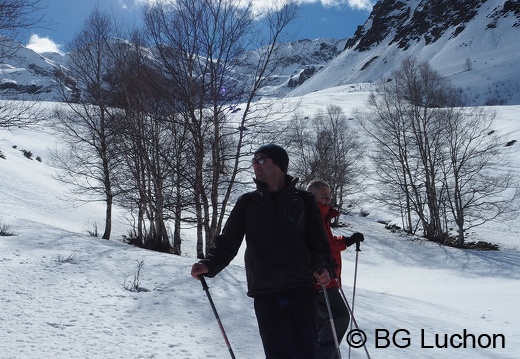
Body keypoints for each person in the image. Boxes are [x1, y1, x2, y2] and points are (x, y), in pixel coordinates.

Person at [191, 144, 333, 359]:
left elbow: (319, 244)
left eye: (261, 159)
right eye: (254, 160)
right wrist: (209, 264)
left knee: (307, 353)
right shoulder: (248, 203)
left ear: (278, 165)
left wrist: (322, 268)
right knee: (278, 355)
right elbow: (228, 241)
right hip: (266, 294)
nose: (255, 164)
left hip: (302, 290)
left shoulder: (303, 201)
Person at [306, 179, 364, 359]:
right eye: (325, 197)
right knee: (339, 317)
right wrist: (320, 267)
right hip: (320, 281)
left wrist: (347, 241)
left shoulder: (322, 217)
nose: (328, 200)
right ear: (312, 195)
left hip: (328, 278)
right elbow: (309, 248)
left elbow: (328, 245)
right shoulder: (309, 216)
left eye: (330, 196)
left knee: (325, 325)